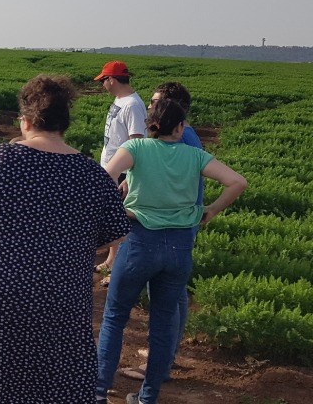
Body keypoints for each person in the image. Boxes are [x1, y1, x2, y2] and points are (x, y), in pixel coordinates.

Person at [0, 75, 131, 403]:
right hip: (61, 305)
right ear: (64, 123)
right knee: (52, 388)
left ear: (25, 121)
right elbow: (110, 238)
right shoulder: (93, 176)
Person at [95, 98, 248, 404]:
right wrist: (211, 210)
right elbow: (237, 182)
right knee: (163, 323)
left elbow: (103, 179)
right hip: (179, 246)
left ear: (151, 124)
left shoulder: (136, 149)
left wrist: (116, 206)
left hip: (139, 241)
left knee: (114, 317)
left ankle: (98, 392)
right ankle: (147, 397)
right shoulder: (195, 155)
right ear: (180, 126)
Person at [119, 82, 203, 382]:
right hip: (177, 224)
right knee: (172, 295)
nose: (150, 107)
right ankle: (164, 353)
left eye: (155, 102)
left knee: (169, 298)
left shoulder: (186, 140)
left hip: (170, 226)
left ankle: (161, 360)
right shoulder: (186, 137)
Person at [94, 60, 147, 284]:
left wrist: (130, 176)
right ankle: (110, 260)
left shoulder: (133, 105)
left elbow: (137, 142)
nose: (102, 84)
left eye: (103, 80)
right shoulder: (120, 100)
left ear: (112, 80)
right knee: (112, 216)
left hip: (123, 173)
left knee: (121, 220)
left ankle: (118, 269)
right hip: (113, 169)